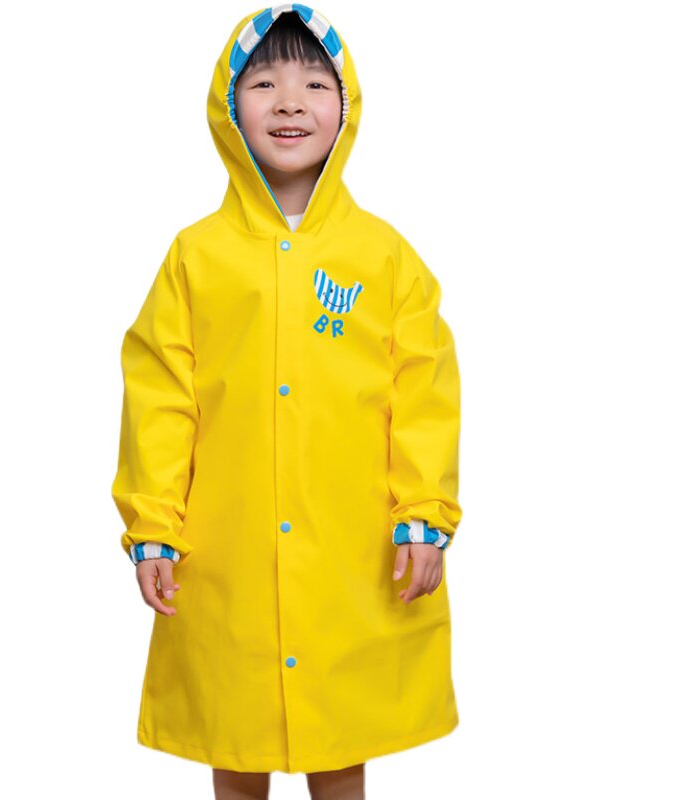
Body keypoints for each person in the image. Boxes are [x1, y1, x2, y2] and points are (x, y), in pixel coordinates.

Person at [111, 5, 463, 799]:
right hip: (226, 554)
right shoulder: (196, 257)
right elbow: (160, 396)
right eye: (264, 83)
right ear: (228, 108)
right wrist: (153, 525)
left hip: (351, 551)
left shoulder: (383, 257)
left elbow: (425, 391)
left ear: (347, 105)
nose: (290, 101)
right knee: (234, 735)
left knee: (342, 738)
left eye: (314, 83)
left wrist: (424, 512)